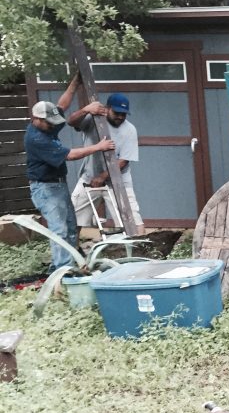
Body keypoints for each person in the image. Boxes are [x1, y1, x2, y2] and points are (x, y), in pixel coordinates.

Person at [25, 73, 115, 272]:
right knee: (59, 229)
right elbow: (71, 155)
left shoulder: (47, 124)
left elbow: (62, 104)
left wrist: (76, 81)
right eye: (49, 122)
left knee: (70, 226)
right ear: (36, 119)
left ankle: (72, 263)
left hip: (58, 184)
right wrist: (98, 146)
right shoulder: (37, 139)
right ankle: (63, 271)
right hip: (45, 188)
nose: (53, 124)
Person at [68, 93, 144, 232]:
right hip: (89, 178)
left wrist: (102, 177)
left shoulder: (130, 129)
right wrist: (86, 109)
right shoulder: (93, 119)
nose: (120, 117)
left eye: (124, 114)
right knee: (72, 218)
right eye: (117, 113)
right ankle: (73, 251)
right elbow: (71, 122)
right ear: (107, 108)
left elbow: (124, 161)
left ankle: (140, 250)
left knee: (133, 220)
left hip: (119, 180)